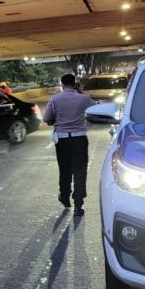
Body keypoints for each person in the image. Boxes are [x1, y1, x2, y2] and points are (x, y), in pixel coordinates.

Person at [42, 74, 96, 216]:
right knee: (80, 171)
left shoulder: (54, 99)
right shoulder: (84, 98)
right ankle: (78, 204)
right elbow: (95, 111)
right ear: (75, 84)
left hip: (62, 140)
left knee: (65, 170)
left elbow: (46, 118)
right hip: (80, 139)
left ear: (62, 84)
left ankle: (65, 197)